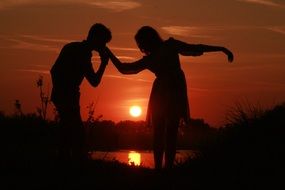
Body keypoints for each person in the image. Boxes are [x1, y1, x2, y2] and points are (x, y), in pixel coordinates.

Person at [105, 25, 233, 170]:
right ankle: (163, 169)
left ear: (147, 41)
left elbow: (195, 48)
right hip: (168, 91)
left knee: (165, 132)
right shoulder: (157, 54)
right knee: (165, 132)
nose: (140, 47)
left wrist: (221, 48)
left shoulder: (166, 48)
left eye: (140, 44)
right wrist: (222, 49)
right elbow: (125, 68)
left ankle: (163, 169)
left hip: (169, 91)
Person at [50, 23, 111, 162]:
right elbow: (94, 82)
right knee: (77, 134)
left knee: (67, 130)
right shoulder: (83, 54)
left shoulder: (71, 47)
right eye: (103, 42)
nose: (104, 46)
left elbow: (53, 70)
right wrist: (103, 63)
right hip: (68, 96)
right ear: (96, 38)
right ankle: (76, 165)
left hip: (62, 94)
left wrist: (60, 88)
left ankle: (65, 162)